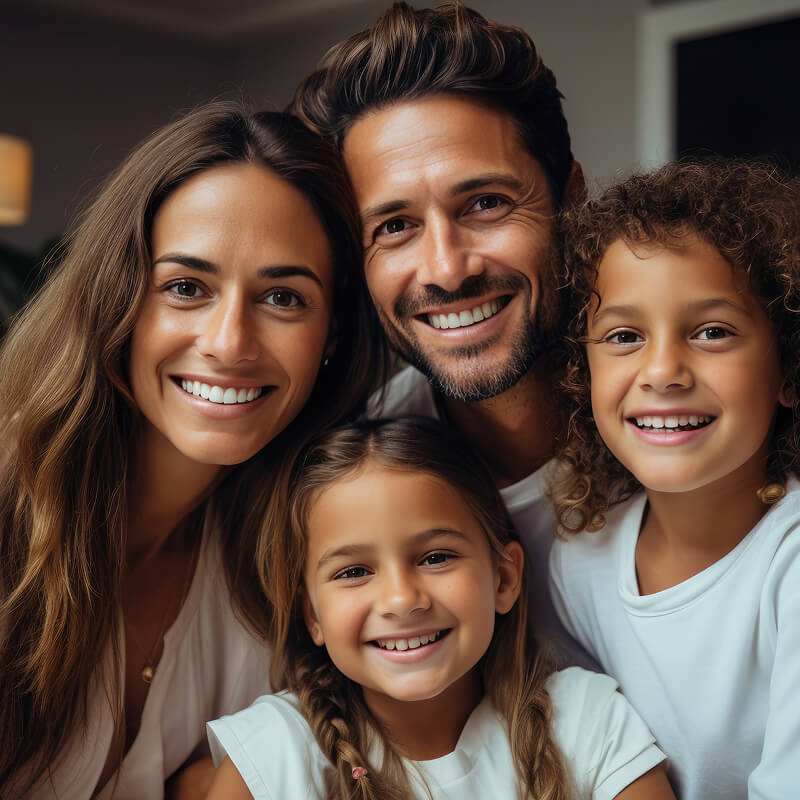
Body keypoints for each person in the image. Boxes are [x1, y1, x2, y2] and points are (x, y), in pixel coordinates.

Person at [0, 102, 387, 798]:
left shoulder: (292, 563)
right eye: (185, 287)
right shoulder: (9, 508)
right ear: (116, 298)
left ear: (332, 336)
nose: (229, 341)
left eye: (283, 298)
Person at [290, 1, 587, 660]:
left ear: (571, 200)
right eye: (394, 226)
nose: (447, 269)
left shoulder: (691, 417)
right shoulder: (352, 484)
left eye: (485, 204)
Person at [205, 417, 675, 800]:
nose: (401, 600)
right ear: (312, 615)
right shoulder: (271, 756)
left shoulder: (587, 723)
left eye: (436, 558)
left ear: (504, 578)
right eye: (353, 572)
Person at [548, 159, 800, 800]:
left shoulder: (789, 563)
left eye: (713, 332)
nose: (662, 371)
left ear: (788, 372)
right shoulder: (578, 560)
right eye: (625, 335)